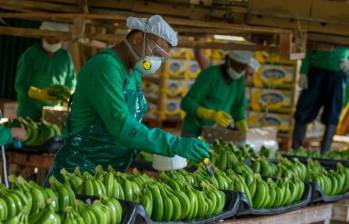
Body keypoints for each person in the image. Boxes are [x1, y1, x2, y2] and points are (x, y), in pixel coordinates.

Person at [46, 15, 209, 181]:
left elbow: (134, 122)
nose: (157, 61)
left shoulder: (134, 72)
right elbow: (120, 123)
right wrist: (172, 144)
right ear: (138, 39)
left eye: (162, 57)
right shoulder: (105, 66)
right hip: (79, 170)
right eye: (156, 53)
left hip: (110, 172)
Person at [181, 50, 258, 137]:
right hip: (194, 130)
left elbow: (237, 107)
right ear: (228, 61)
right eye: (237, 66)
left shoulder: (239, 81)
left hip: (217, 131)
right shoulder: (210, 75)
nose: (239, 71)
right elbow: (186, 103)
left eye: (243, 68)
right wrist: (210, 114)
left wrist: (241, 122)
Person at [15, 21, 76, 121]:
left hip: (53, 112)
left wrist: (68, 96)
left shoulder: (65, 58)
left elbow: (71, 82)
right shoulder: (31, 55)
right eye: (49, 37)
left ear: (62, 38)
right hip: (29, 111)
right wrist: (37, 93)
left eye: (55, 38)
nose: (52, 41)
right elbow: (20, 84)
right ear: (43, 35)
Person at [292, 47, 349, 153]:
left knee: (332, 115)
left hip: (339, 72)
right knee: (303, 110)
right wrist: (304, 70)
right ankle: (295, 150)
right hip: (316, 71)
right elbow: (310, 44)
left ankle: (324, 154)